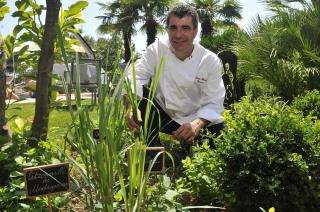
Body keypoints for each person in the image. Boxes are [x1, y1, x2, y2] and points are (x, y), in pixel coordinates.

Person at [125, 4, 225, 148]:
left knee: (219, 136)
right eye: (173, 27)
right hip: (164, 117)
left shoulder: (209, 60)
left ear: (195, 31)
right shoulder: (157, 50)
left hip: (196, 118)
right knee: (141, 98)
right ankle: (152, 151)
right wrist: (131, 107)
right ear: (167, 29)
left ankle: (191, 143)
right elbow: (135, 78)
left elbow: (214, 101)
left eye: (185, 28)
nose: (178, 35)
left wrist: (196, 124)